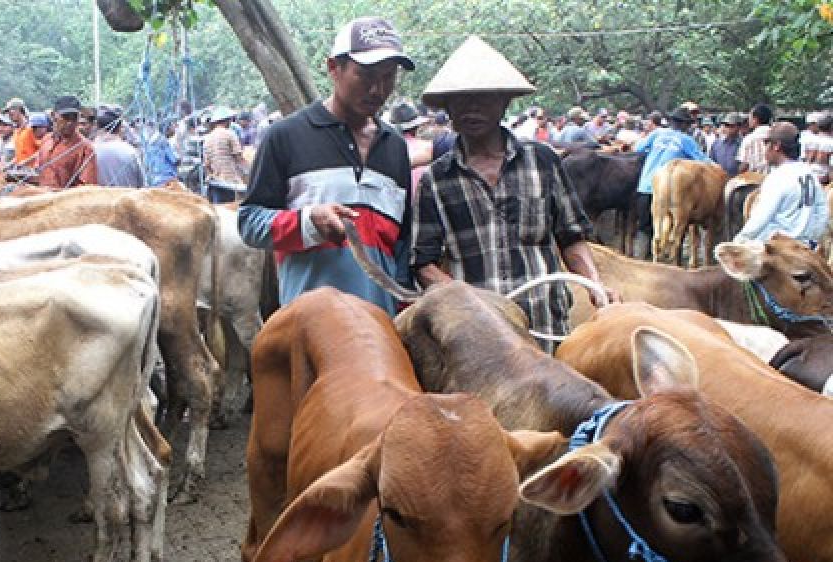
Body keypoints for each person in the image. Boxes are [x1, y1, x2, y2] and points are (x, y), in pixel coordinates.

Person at [413, 35, 614, 344]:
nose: (472, 108)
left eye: (484, 98)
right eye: (462, 100)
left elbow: (571, 237)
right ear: (449, 109)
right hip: (480, 336)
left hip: (545, 323)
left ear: (504, 102)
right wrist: (472, 304)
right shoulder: (436, 180)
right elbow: (424, 263)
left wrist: (595, 286)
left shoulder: (542, 161)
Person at [239, 16, 416, 315]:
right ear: (334, 68)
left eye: (388, 76)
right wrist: (308, 222)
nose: (377, 89)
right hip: (310, 330)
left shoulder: (395, 148)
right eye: (366, 75)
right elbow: (250, 223)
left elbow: (401, 244)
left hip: (381, 333)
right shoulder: (286, 136)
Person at [631, 106, 714, 258]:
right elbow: (703, 160)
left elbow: (638, 148)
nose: (688, 127)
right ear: (683, 124)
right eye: (688, 124)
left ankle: (642, 259)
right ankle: (668, 260)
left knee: (644, 227)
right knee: (674, 226)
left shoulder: (656, 134)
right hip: (670, 191)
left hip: (646, 186)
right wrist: (719, 169)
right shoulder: (686, 140)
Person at [734, 122, 828, 245]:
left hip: (777, 250)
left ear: (776, 146)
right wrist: (812, 239)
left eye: (766, 143)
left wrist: (738, 241)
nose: (764, 149)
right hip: (803, 248)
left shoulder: (778, 178)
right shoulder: (809, 174)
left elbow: (760, 219)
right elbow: (822, 212)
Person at [35, 95, 97, 190]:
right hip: (42, 200)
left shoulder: (85, 148)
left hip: (66, 202)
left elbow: (88, 189)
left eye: (74, 118)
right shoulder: (46, 140)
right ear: (53, 116)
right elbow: (38, 171)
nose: (70, 123)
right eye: (66, 117)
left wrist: (55, 192)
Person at [202, 107, 248, 203]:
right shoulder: (230, 134)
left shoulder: (207, 138)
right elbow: (239, 158)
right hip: (231, 181)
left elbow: (207, 164)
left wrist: (213, 174)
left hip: (216, 181)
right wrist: (249, 172)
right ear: (227, 121)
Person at [93, 107, 144, 188]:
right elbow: (142, 183)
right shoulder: (131, 151)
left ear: (97, 127)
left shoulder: (90, 151)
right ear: (120, 128)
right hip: (127, 199)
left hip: (99, 199)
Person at [737, 103, 773, 175]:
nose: (748, 120)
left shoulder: (749, 139)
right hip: (773, 180)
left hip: (754, 182)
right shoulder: (776, 135)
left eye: (750, 117)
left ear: (755, 119)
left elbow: (744, 166)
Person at [144, 118, 180, 187]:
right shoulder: (163, 142)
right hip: (168, 180)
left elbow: (146, 164)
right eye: (172, 126)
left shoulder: (151, 141)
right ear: (167, 128)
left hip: (154, 180)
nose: (174, 129)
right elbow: (175, 160)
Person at [802, 112, 833, 186]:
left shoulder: (808, 140)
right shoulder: (830, 143)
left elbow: (804, 159)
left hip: (808, 178)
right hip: (824, 180)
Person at [710, 112, 743, 177]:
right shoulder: (716, 143)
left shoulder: (743, 144)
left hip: (737, 182)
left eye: (730, 125)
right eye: (725, 125)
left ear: (739, 127)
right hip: (719, 180)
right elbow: (711, 162)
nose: (727, 128)